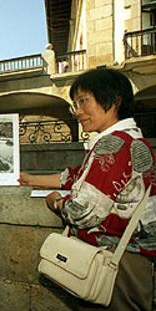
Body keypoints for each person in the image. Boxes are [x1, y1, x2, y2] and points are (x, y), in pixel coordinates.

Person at [20, 68, 156, 311]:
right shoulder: (133, 139)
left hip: (116, 262)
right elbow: (77, 175)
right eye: (75, 104)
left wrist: (57, 202)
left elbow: (82, 212)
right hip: (136, 259)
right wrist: (32, 179)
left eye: (84, 101)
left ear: (114, 100)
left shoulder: (113, 146)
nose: (78, 111)